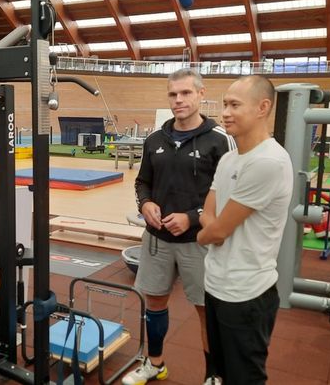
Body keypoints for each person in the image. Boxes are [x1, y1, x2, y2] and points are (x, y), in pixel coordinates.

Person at [124, 69, 235, 385]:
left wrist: (193, 215)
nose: (178, 100)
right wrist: (144, 205)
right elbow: (142, 182)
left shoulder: (219, 141)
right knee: (154, 303)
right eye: (173, 94)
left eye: (186, 93)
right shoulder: (154, 140)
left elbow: (228, 194)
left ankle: (213, 375)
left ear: (202, 94)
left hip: (198, 241)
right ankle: (155, 363)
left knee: (205, 310)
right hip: (157, 241)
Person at [197, 75, 294, 385]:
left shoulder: (269, 161)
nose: (225, 112)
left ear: (263, 107)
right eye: (225, 104)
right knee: (222, 372)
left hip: (246, 293)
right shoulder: (229, 158)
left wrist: (203, 235)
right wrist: (211, 228)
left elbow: (215, 231)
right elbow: (208, 208)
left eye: (235, 105)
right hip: (216, 283)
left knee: (245, 378)